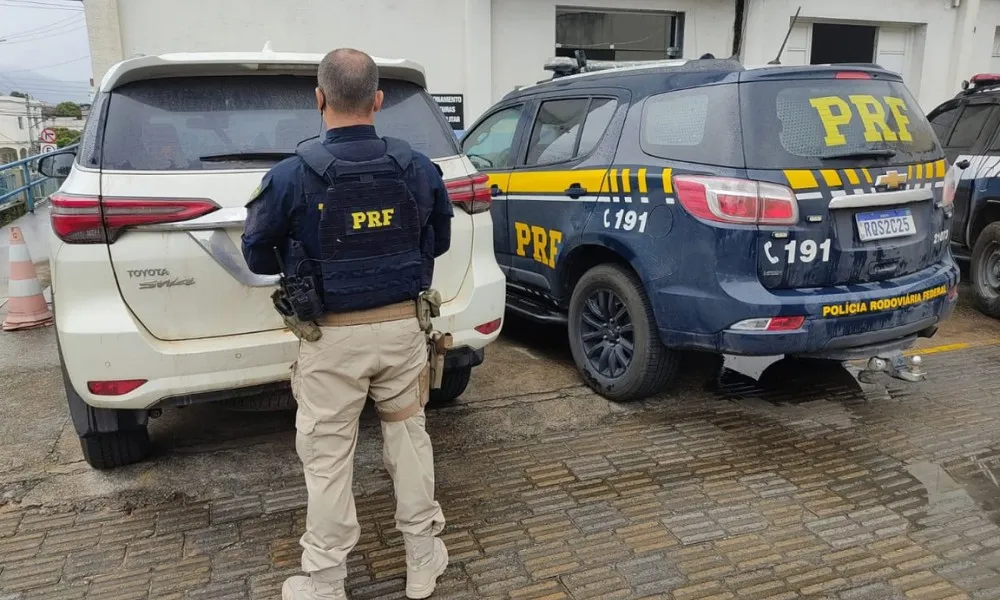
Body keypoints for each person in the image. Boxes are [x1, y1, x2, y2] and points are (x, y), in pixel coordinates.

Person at [241, 48, 453, 600]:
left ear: (319, 99)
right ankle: (422, 561)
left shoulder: (289, 176)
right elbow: (441, 240)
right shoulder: (420, 167)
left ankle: (326, 581)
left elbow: (257, 256)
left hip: (329, 339)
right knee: (409, 441)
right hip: (404, 330)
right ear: (378, 101)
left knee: (328, 458)